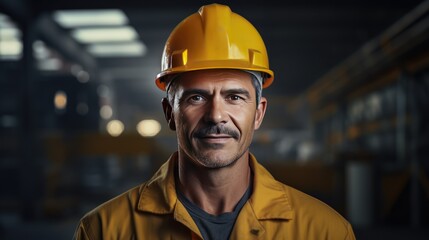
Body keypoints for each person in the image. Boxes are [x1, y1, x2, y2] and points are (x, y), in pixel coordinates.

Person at [73, 3, 356, 240]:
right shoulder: (103, 231)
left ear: (258, 113)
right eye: (196, 98)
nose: (216, 115)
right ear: (170, 113)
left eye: (234, 97)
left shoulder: (325, 232)